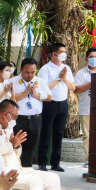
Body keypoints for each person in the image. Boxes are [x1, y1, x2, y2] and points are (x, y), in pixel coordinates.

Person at [37, 43, 75, 172]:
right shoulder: (45, 69)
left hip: (63, 103)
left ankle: (55, 163)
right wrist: (59, 79)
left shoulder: (66, 68)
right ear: (54, 54)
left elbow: (73, 87)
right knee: (46, 132)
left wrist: (64, 79)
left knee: (59, 134)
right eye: (62, 51)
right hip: (49, 104)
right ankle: (42, 162)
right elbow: (44, 88)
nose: (65, 54)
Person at [11, 57, 52, 167]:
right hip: (19, 118)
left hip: (35, 118)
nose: (30, 75)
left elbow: (49, 97)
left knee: (31, 145)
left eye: (33, 72)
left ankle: (27, 167)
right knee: (16, 144)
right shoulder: (13, 82)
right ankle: (15, 167)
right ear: (21, 70)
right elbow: (11, 98)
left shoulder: (40, 81)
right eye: (27, 72)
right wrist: (25, 93)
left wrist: (36, 95)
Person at [75, 47, 96, 166]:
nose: (94, 59)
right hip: (86, 108)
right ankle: (89, 159)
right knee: (87, 135)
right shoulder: (81, 73)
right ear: (86, 59)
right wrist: (94, 81)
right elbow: (76, 89)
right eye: (91, 57)